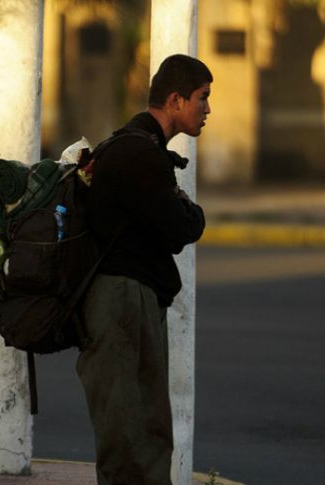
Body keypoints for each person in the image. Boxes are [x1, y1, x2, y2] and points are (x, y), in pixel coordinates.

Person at [76, 54, 211, 485]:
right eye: (202, 98)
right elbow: (180, 228)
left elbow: (168, 228)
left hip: (132, 297)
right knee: (127, 432)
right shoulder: (139, 154)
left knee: (147, 426)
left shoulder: (134, 147)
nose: (207, 110)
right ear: (175, 100)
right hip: (122, 300)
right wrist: (192, 213)